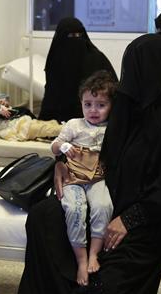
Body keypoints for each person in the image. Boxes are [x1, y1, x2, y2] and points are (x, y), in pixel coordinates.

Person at [18, 34, 161, 293]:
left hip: (146, 222)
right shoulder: (133, 105)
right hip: (107, 195)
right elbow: (98, 143)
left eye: (133, 67)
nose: (128, 77)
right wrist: (60, 160)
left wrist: (128, 219)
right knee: (42, 216)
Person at [51, 70, 116, 286]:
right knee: (74, 208)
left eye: (101, 104)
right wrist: (64, 146)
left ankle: (94, 254)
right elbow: (54, 146)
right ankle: (81, 259)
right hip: (73, 177)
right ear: (80, 103)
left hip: (98, 178)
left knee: (103, 206)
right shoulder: (74, 125)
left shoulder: (113, 129)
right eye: (88, 104)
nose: (93, 110)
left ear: (111, 106)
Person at [39, 17, 117, 123]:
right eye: (70, 36)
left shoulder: (97, 58)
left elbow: (112, 92)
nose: (75, 39)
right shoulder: (55, 60)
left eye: (79, 35)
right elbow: (51, 95)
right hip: (59, 119)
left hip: (95, 117)